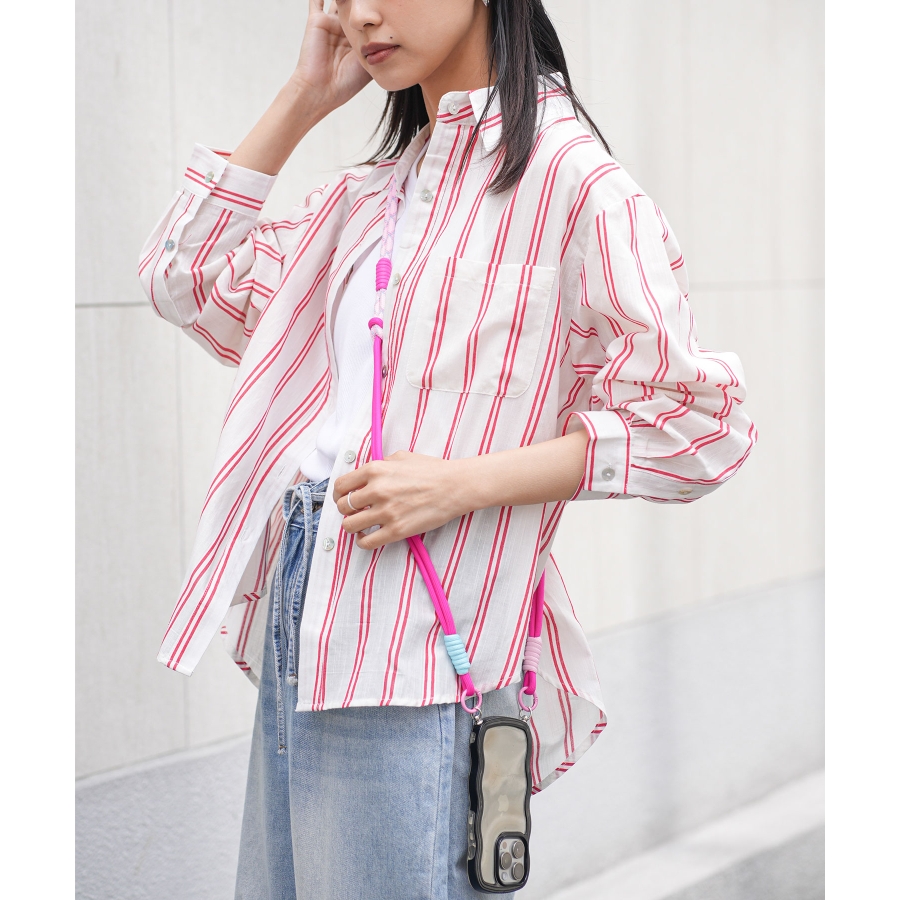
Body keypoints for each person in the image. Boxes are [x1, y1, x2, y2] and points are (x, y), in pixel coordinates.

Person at [138, 1, 756, 897]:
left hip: (423, 644)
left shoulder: (571, 182)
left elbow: (700, 422)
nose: (360, 14)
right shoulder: (375, 194)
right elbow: (185, 277)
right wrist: (304, 97)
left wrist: (462, 484)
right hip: (304, 613)